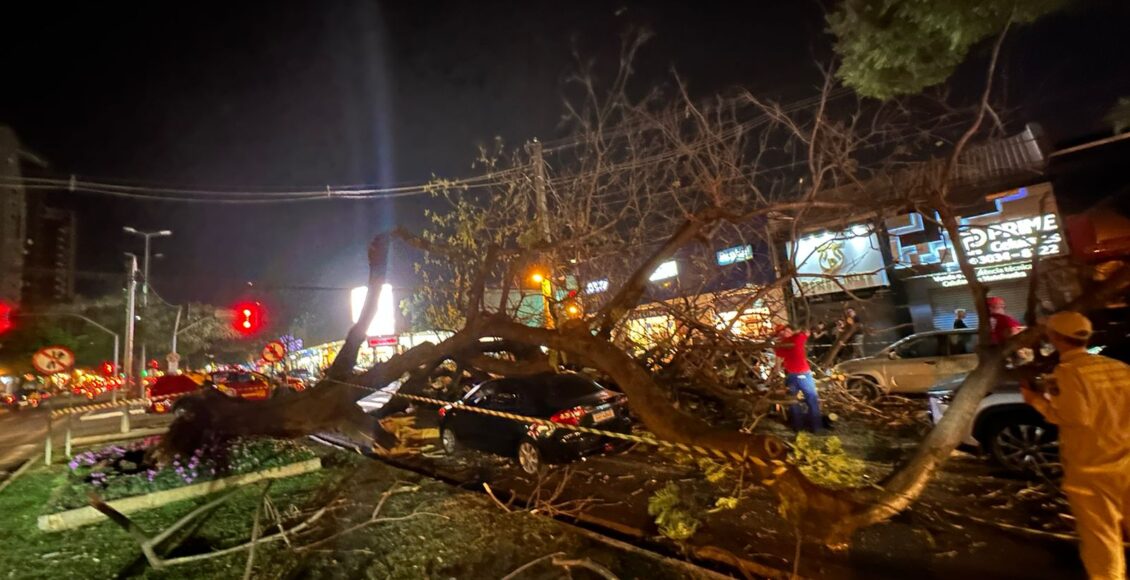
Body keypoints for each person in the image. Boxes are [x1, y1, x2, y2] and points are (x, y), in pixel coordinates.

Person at [1021, 312, 1130, 580]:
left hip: (1093, 470)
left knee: (1102, 539)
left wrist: (1035, 399)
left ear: (1055, 338)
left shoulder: (1069, 372)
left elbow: (1073, 417)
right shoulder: (1118, 367)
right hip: (1127, 462)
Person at [773, 324, 823, 433]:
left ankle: (800, 427)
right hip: (801, 375)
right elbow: (806, 332)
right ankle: (814, 427)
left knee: (795, 400)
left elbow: (778, 362)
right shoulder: (796, 338)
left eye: (785, 331)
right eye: (784, 331)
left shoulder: (781, 344)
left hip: (795, 375)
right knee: (809, 400)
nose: (785, 333)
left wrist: (777, 372)